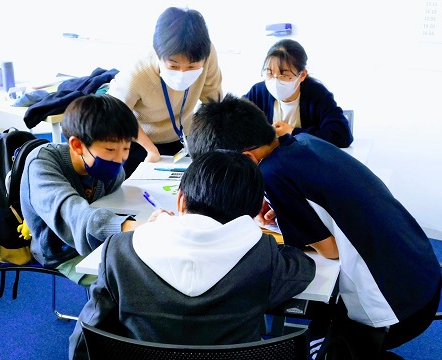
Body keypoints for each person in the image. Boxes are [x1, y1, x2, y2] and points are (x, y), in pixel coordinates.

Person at [186, 93, 441, 360]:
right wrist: (287, 210)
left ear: (247, 159)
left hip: (396, 307)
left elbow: (330, 250)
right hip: (422, 271)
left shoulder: (272, 174)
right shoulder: (303, 142)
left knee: (318, 346)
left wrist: (290, 221)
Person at [68, 150, 316, 360]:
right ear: (251, 215)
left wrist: (161, 226)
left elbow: (88, 333)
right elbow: (303, 267)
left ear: (180, 200)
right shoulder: (263, 257)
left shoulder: (119, 251)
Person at [20, 93, 143, 286]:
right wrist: (126, 226)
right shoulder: (42, 163)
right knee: (134, 281)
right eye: (110, 150)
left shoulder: (102, 164)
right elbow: (73, 212)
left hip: (98, 237)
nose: (120, 159)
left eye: (126, 149)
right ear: (77, 145)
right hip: (61, 250)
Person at [108, 6, 223, 178]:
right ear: (159, 54)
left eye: (192, 66)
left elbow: (213, 100)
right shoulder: (138, 72)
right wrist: (150, 149)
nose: (182, 72)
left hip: (181, 137)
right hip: (139, 141)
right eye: (174, 66)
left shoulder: (206, 53)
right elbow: (117, 113)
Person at [244, 39, 353, 148]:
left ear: (302, 75)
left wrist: (293, 132)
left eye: (284, 75)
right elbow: (234, 121)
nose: (275, 81)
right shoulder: (258, 92)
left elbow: (342, 136)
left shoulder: (317, 94)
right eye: (269, 73)